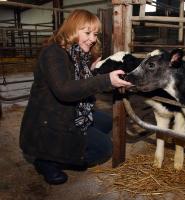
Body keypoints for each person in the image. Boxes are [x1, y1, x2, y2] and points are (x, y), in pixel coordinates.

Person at [19, 9, 132, 185]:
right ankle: (47, 160)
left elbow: (80, 83)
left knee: (107, 122)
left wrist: (93, 71)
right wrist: (105, 80)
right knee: (104, 149)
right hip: (50, 119)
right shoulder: (53, 53)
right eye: (87, 33)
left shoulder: (77, 54)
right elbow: (64, 90)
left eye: (95, 34)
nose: (93, 39)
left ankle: (66, 146)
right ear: (72, 30)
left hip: (71, 111)